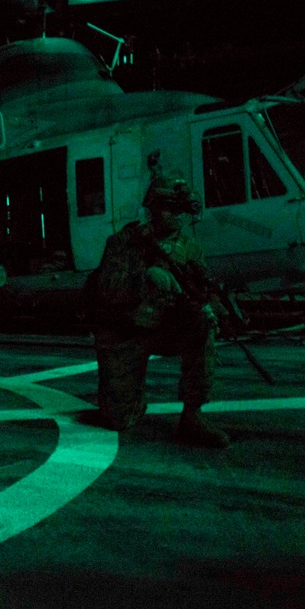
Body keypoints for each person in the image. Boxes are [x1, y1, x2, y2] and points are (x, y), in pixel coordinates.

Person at [87, 176, 231, 448]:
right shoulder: (124, 242)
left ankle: (193, 415)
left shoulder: (189, 248)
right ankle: (131, 397)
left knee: (202, 325)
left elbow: (203, 287)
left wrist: (214, 307)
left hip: (165, 328)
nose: (177, 215)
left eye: (181, 209)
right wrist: (145, 278)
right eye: (169, 208)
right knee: (119, 419)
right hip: (126, 331)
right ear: (153, 208)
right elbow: (106, 289)